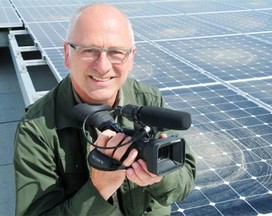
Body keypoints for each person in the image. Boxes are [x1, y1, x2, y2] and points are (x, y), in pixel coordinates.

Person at [14, 3, 196, 216]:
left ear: (131, 58)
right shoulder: (37, 129)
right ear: (66, 54)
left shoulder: (149, 99)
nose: (102, 66)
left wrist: (161, 177)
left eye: (116, 52)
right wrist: (99, 187)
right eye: (89, 50)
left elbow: (183, 185)